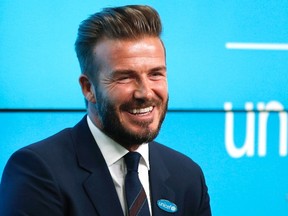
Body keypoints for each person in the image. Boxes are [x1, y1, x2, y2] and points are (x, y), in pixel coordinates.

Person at [0, 5, 211, 216]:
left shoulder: (186, 176)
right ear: (88, 88)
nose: (145, 93)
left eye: (155, 74)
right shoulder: (38, 171)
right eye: (125, 77)